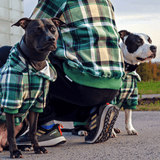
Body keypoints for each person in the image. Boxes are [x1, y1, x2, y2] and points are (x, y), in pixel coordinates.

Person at [0, 0, 124, 148]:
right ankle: (92, 114)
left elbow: (35, 27)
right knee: (54, 66)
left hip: (83, 83)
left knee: (8, 55)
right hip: (113, 86)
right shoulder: (106, 1)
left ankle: (44, 127)